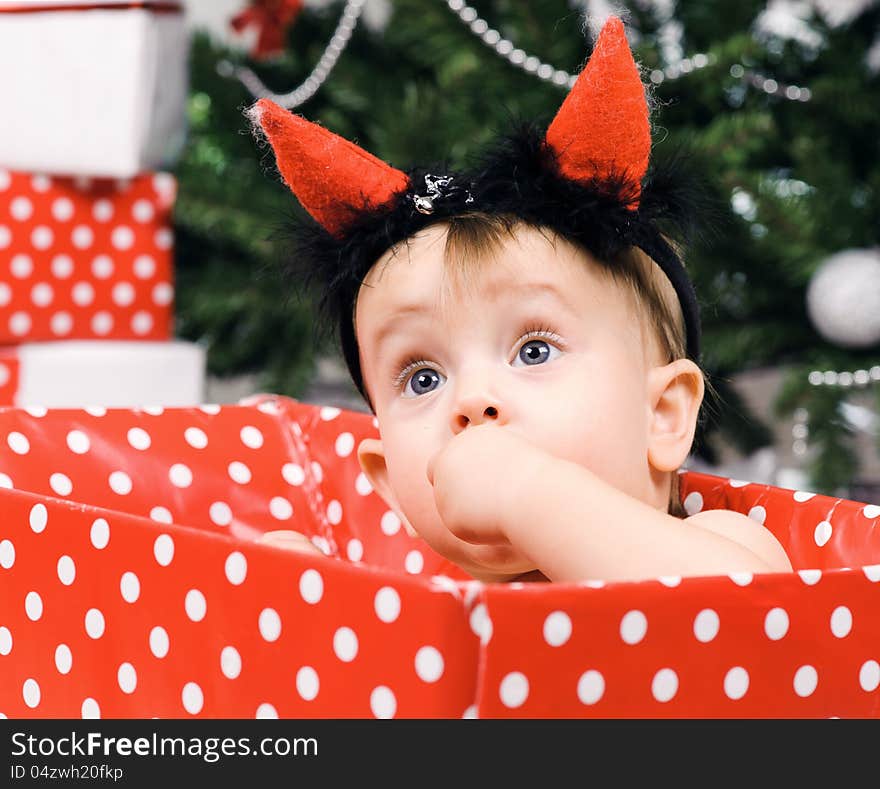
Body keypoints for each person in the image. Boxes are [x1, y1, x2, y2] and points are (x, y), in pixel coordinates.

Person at [251, 16, 793, 583]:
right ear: (389, 482)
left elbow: (744, 621)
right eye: (422, 378)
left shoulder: (721, 546)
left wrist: (530, 492)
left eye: (534, 350)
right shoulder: (423, 607)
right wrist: (318, 607)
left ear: (662, 415)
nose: (472, 401)